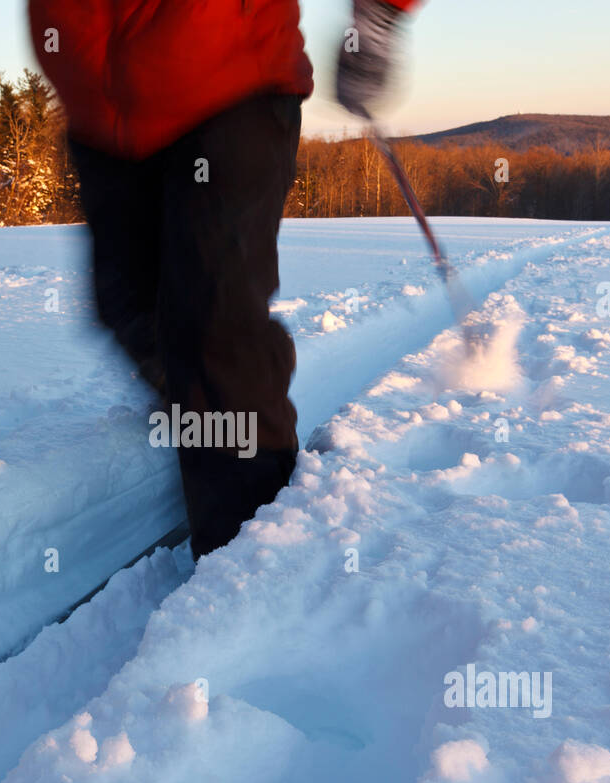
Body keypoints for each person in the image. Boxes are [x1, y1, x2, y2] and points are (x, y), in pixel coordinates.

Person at [28, 0, 424, 558]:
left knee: (211, 323)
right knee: (127, 306)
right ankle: (210, 416)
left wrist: (378, 18)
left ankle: (248, 556)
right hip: (100, 117)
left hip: (230, 85)